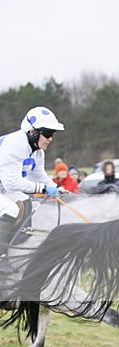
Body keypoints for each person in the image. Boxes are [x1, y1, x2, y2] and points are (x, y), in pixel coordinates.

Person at [0, 106, 65, 273]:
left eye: (52, 134)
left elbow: (39, 175)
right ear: (32, 132)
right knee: (10, 209)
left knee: (26, 202)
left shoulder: (37, 151)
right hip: (6, 185)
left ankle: (14, 247)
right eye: (48, 134)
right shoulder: (14, 145)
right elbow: (12, 183)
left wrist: (55, 187)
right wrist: (43, 189)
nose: (50, 139)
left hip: (3, 187)